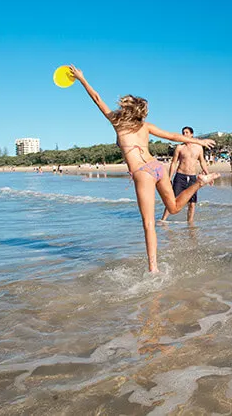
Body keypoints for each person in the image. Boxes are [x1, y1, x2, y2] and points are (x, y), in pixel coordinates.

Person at [69, 65, 219, 273]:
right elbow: (173, 137)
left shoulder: (117, 122)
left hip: (143, 173)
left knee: (149, 223)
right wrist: (199, 141)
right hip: (157, 166)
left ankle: (153, 268)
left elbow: (96, 98)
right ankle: (198, 184)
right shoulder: (146, 126)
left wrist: (82, 79)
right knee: (174, 208)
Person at [159, 126, 210, 223]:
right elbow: (174, 163)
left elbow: (202, 162)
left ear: (191, 134)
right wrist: (169, 178)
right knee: (173, 201)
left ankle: (190, 223)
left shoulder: (199, 148)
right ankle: (163, 220)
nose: (184, 134)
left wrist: (208, 175)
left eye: (186, 132)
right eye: (183, 133)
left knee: (192, 203)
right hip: (180, 176)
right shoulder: (180, 147)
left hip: (192, 177)